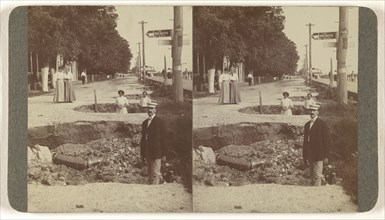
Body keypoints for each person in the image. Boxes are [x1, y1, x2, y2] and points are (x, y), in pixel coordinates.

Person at [302, 104, 331, 186]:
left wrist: (326, 156)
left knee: (318, 176)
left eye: (314, 110)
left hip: (319, 154)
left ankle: (317, 191)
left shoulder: (322, 124)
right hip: (310, 154)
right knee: (311, 176)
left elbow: (327, 141)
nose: (312, 112)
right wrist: (305, 155)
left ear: (318, 112)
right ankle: (313, 194)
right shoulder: (307, 125)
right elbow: (305, 141)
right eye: (310, 110)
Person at [140, 102, 168, 185]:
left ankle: (155, 190)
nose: (149, 110)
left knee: (156, 173)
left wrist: (164, 154)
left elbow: (164, 138)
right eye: (148, 108)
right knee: (149, 173)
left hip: (156, 152)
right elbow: (143, 138)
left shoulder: (160, 122)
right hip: (148, 151)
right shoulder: (145, 123)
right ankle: (151, 193)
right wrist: (142, 153)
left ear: (156, 110)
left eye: (152, 108)